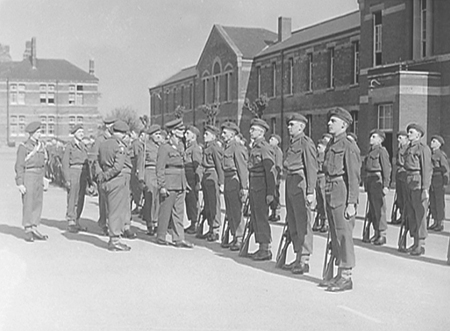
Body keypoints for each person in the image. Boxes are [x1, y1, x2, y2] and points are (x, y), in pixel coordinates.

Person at [321, 107, 360, 292]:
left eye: (333, 121)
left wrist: (352, 203)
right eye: (330, 121)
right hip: (330, 189)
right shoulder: (331, 145)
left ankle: (346, 276)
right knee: (335, 234)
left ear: (343, 125)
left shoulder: (348, 146)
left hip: (341, 192)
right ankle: (339, 272)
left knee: (343, 234)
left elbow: (353, 177)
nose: (329, 123)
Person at [282, 114, 318, 273]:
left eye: (292, 124)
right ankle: (298, 256)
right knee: (293, 220)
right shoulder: (291, 144)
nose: (289, 127)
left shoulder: (306, 143)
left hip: (300, 182)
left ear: (301, 127)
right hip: (290, 181)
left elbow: (311, 168)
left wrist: (311, 191)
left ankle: (304, 259)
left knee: (303, 220)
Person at [156, 118, 193, 248]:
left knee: (179, 212)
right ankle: (161, 235)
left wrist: (185, 183)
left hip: (180, 182)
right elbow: (160, 168)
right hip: (169, 183)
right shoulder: (164, 148)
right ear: (172, 132)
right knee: (165, 210)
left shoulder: (181, 146)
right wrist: (162, 185)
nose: (182, 132)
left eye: (183, 129)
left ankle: (178, 238)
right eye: (179, 130)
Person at [97, 120, 132, 251]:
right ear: (122, 134)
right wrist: (107, 175)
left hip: (105, 179)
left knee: (109, 209)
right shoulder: (120, 146)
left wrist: (101, 175)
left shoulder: (103, 143)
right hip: (116, 179)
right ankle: (115, 239)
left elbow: (97, 161)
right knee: (116, 211)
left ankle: (113, 237)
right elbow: (118, 167)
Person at [15, 121, 50, 242]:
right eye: (38, 132)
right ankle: (28, 229)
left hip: (39, 175)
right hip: (28, 175)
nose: (40, 135)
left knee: (38, 202)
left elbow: (43, 164)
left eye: (40, 132)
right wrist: (19, 183)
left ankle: (34, 227)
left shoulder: (41, 146)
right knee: (28, 202)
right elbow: (19, 166)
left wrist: (45, 177)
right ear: (31, 134)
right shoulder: (24, 147)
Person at [247, 118, 276, 261]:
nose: (250, 131)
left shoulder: (264, 147)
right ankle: (261, 247)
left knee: (261, 217)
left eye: (253, 129)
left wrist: (271, 192)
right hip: (254, 185)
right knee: (256, 216)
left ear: (261, 132)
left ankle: (265, 249)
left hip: (262, 187)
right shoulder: (255, 147)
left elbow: (270, 171)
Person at [402, 123, 432, 256]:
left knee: (419, 214)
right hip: (409, 181)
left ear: (418, 135)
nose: (408, 134)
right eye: (408, 132)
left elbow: (426, 169)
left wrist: (425, 188)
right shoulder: (408, 148)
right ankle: (414, 242)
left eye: (411, 132)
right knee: (411, 213)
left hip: (418, 182)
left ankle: (420, 244)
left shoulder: (423, 149)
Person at [221, 121, 248, 251]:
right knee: (230, 210)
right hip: (227, 180)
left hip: (234, 180)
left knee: (236, 211)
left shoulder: (236, 147)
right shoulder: (226, 147)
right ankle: (234, 235)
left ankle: (239, 237)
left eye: (225, 132)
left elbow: (242, 168)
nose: (222, 135)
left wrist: (244, 187)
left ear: (232, 134)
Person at [363, 129, 392, 245]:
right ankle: (376, 232)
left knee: (379, 209)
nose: (371, 138)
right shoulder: (370, 151)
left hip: (377, 180)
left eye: (374, 137)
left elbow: (386, 168)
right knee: (373, 209)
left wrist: (386, 185)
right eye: (371, 136)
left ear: (380, 140)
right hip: (370, 181)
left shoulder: (382, 151)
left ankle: (382, 234)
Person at [62, 124, 91, 233]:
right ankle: (71, 221)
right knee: (72, 198)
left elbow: (86, 163)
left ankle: (77, 220)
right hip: (74, 172)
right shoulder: (70, 146)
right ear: (74, 134)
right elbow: (65, 163)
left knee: (80, 198)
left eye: (82, 132)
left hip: (83, 174)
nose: (82, 134)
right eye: (79, 132)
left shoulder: (83, 146)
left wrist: (89, 179)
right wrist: (67, 179)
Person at [90, 117, 116, 235]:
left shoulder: (115, 139)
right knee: (104, 202)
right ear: (107, 127)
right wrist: (98, 175)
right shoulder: (100, 140)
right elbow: (94, 159)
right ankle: (103, 224)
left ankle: (112, 225)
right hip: (103, 174)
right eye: (111, 126)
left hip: (114, 174)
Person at [138, 124, 163, 235]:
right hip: (149, 172)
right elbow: (141, 162)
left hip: (159, 173)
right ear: (151, 135)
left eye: (159, 134)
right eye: (156, 134)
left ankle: (156, 222)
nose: (158, 136)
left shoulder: (161, 146)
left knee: (158, 199)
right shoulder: (145, 146)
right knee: (150, 198)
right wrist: (141, 178)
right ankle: (150, 223)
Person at [200, 124, 224, 241]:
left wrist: (221, 182)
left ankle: (215, 229)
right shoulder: (207, 147)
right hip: (206, 176)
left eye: (207, 134)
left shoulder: (215, 148)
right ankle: (210, 228)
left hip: (213, 175)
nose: (204, 136)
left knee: (214, 203)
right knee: (208, 204)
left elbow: (219, 165)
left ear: (213, 136)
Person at [184, 125, 203, 234]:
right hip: (187, 177)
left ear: (194, 136)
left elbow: (198, 166)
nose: (185, 135)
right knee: (189, 201)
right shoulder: (189, 147)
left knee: (193, 201)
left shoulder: (195, 148)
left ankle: (195, 223)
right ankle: (192, 223)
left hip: (192, 178)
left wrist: (198, 181)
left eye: (188, 134)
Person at [428, 135, 449, 232]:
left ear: (439, 144)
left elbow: (446, 170)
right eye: (432, 141)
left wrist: (445, 182)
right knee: (433, 201)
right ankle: (435, 221)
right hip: (431, 180)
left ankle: (440, 223)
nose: (432, 142)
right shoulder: (430, 154)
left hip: (439, 180)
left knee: (439, 202)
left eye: (434, 141)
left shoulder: (441, 155)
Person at [392, 131, 409, 225]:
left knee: (405, 196)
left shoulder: (408, 149)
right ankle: (402, 215)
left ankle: (406, 217)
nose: (398, 140)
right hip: (399, 174)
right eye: (398, 138)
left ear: (406, 139)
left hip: (404, 173)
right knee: (400, 197)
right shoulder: (399, 149)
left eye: (401, 138)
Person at [313, 138, 328, 233]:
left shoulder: (326, 156)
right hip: (317, 177)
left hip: (323, 177)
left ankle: (325, 222)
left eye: (320, 147)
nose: (317, 148)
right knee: (319, 200)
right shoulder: (316, 156)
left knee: (324, 200)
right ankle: (320, 220)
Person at [130, 129, 145, 215]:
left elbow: (137, 156)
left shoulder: (136, 143)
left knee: (136, 188)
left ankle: (139, 206)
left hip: (135, 167)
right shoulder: (137, 143)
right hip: (136, 166)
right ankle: (138, 206)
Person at [268, 134, 283, 222]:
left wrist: (277, 177)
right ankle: (273, 212)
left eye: (272, 139)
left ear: (277, 142)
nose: (270, 140)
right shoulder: (269, 150)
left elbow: (278, 164)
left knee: (275, 194)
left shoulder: (278, 151)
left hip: (275, 175)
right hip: (270, 175)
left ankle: (277, 213)